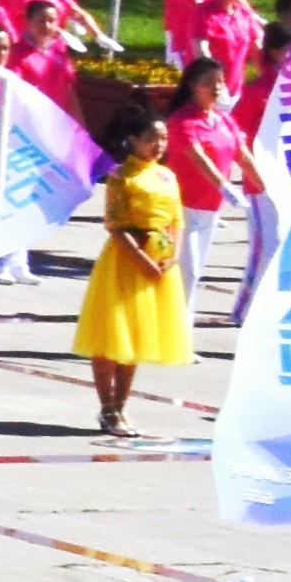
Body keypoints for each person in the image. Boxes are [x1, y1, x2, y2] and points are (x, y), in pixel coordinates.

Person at [76, 111, 190, 440]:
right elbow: (114, 224)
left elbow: (177, 220)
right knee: (112, 335)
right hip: (125, 261)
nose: (159, 144)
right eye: (152, 138)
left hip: (160, 260)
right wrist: (140, 258)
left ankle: (122, 405)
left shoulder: (167, 176)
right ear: (134, 140)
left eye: (164, 139)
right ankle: (108, 406)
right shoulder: (120, 175)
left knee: (136, 337)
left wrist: (173, 256)